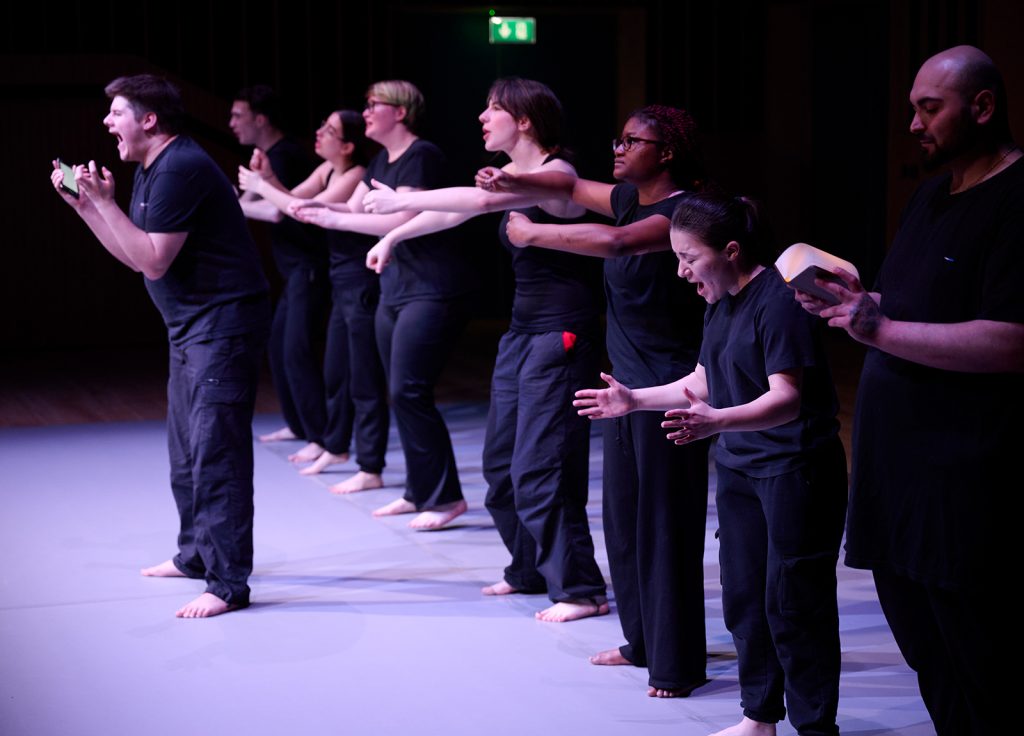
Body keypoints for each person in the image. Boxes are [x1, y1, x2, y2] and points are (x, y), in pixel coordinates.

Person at [795, 45, 1022, 736]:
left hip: (966, 482)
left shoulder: (1016, 201)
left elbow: (1010, 340)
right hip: (898, 477)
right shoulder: (931, 194)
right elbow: (925, 307)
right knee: (928, 654)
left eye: (931, 109)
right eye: (912, 109)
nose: (915, 124)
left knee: (984, 659)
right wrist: (861, 304)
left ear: (981, 108)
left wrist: (881, 328)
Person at [577, 192, 847, 736]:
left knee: (795, 605)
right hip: (743, 470)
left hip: (795, 472)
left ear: (729, 250)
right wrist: (634, 400)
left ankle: (817, 727)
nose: (680, 272)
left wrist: (716, 422)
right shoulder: (719, 302)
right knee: (745, 598)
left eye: (688, 258)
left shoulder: (779, 303)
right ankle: (759, 716)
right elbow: (700, 381)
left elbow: (787, 398)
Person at [477, 106, 711, 694]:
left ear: (667, 153)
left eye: (634, 141)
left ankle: (677, 663)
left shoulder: (682, 213)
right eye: (619, 138)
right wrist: (517, 182)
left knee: (663, 526)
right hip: (624, 388)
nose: (620, 148)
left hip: (670, 387)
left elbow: (616, 243)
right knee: (624, 523)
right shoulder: (630, 196)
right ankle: (641, 642)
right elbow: (567, 183)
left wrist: (531, 232)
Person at [361, 77, 608, 622]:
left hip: (561, 334)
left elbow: (473, 198)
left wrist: (404, 198)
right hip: (521, 334)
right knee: (500, 465)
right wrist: (392, 235)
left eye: (493, 108)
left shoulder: (558, 173)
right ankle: (528, 569)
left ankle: (581, 589)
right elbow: (459, 212)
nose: (481, 116)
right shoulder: (514, 178)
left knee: (541, 466)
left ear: (523, 121)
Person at [50, 74, 271, 618]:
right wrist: (89, 207)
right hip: (190, 327)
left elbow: (152, 259)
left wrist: (106, 204)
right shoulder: (153, 168)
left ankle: (227, 584)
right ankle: (196, 555)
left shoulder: (180, 168)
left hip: (221, 327)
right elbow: (135, 256)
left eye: (117, 113)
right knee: (186, 450)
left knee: (216, 452)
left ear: (149, 120)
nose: (107, 122)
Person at [293, 80, 473, 530]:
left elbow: (402, 217)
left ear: (402, 112)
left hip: (431, 287)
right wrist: (306, 207)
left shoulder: (422, 155)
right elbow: (355, 213)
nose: (367, 111)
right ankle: (419, 491)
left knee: (409, 390)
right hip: (394, 285)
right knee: (401, 392)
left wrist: (330, 217)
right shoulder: (377, 160)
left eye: (375, 105)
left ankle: (445, 498)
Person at [239, 110, 388, 494]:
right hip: (340, 280)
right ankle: (333, 445)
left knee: (362, 375)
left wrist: (259, 184)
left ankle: (366, 461)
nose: (318, 132)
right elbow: (290, 200)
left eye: (330, 130)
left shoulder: (355, 174)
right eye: (320, 125)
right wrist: (268, 178)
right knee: (336, 371)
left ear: (348, 145)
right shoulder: (326, 170)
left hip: (359, 279)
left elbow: (303, 213)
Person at [230, 85, 333, 465]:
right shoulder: (271, 156)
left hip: (310, 267)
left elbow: (277, 210)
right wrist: (240, 201)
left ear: (260, 119)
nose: (231, 124)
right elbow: (258, 202)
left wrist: (233, 206)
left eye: (237, 116)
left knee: (297, 351)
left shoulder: (287, 154)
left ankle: (321, 436)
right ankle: (300, 425)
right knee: (279, 347)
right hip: (293, 271)